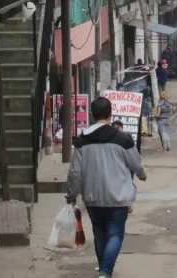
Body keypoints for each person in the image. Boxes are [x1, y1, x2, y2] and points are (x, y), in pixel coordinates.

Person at [66, 97, 146, 278]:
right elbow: (136, 163)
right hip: (118, 198)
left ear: (92, 115)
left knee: (100, 234)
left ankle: (104, 270)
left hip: (93, 197)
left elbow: (74, 173)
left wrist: (71, 195)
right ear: (111, 114)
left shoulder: (81, 141)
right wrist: (142, 175)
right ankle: (105, 272)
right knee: (115, 234)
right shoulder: (122, 139)